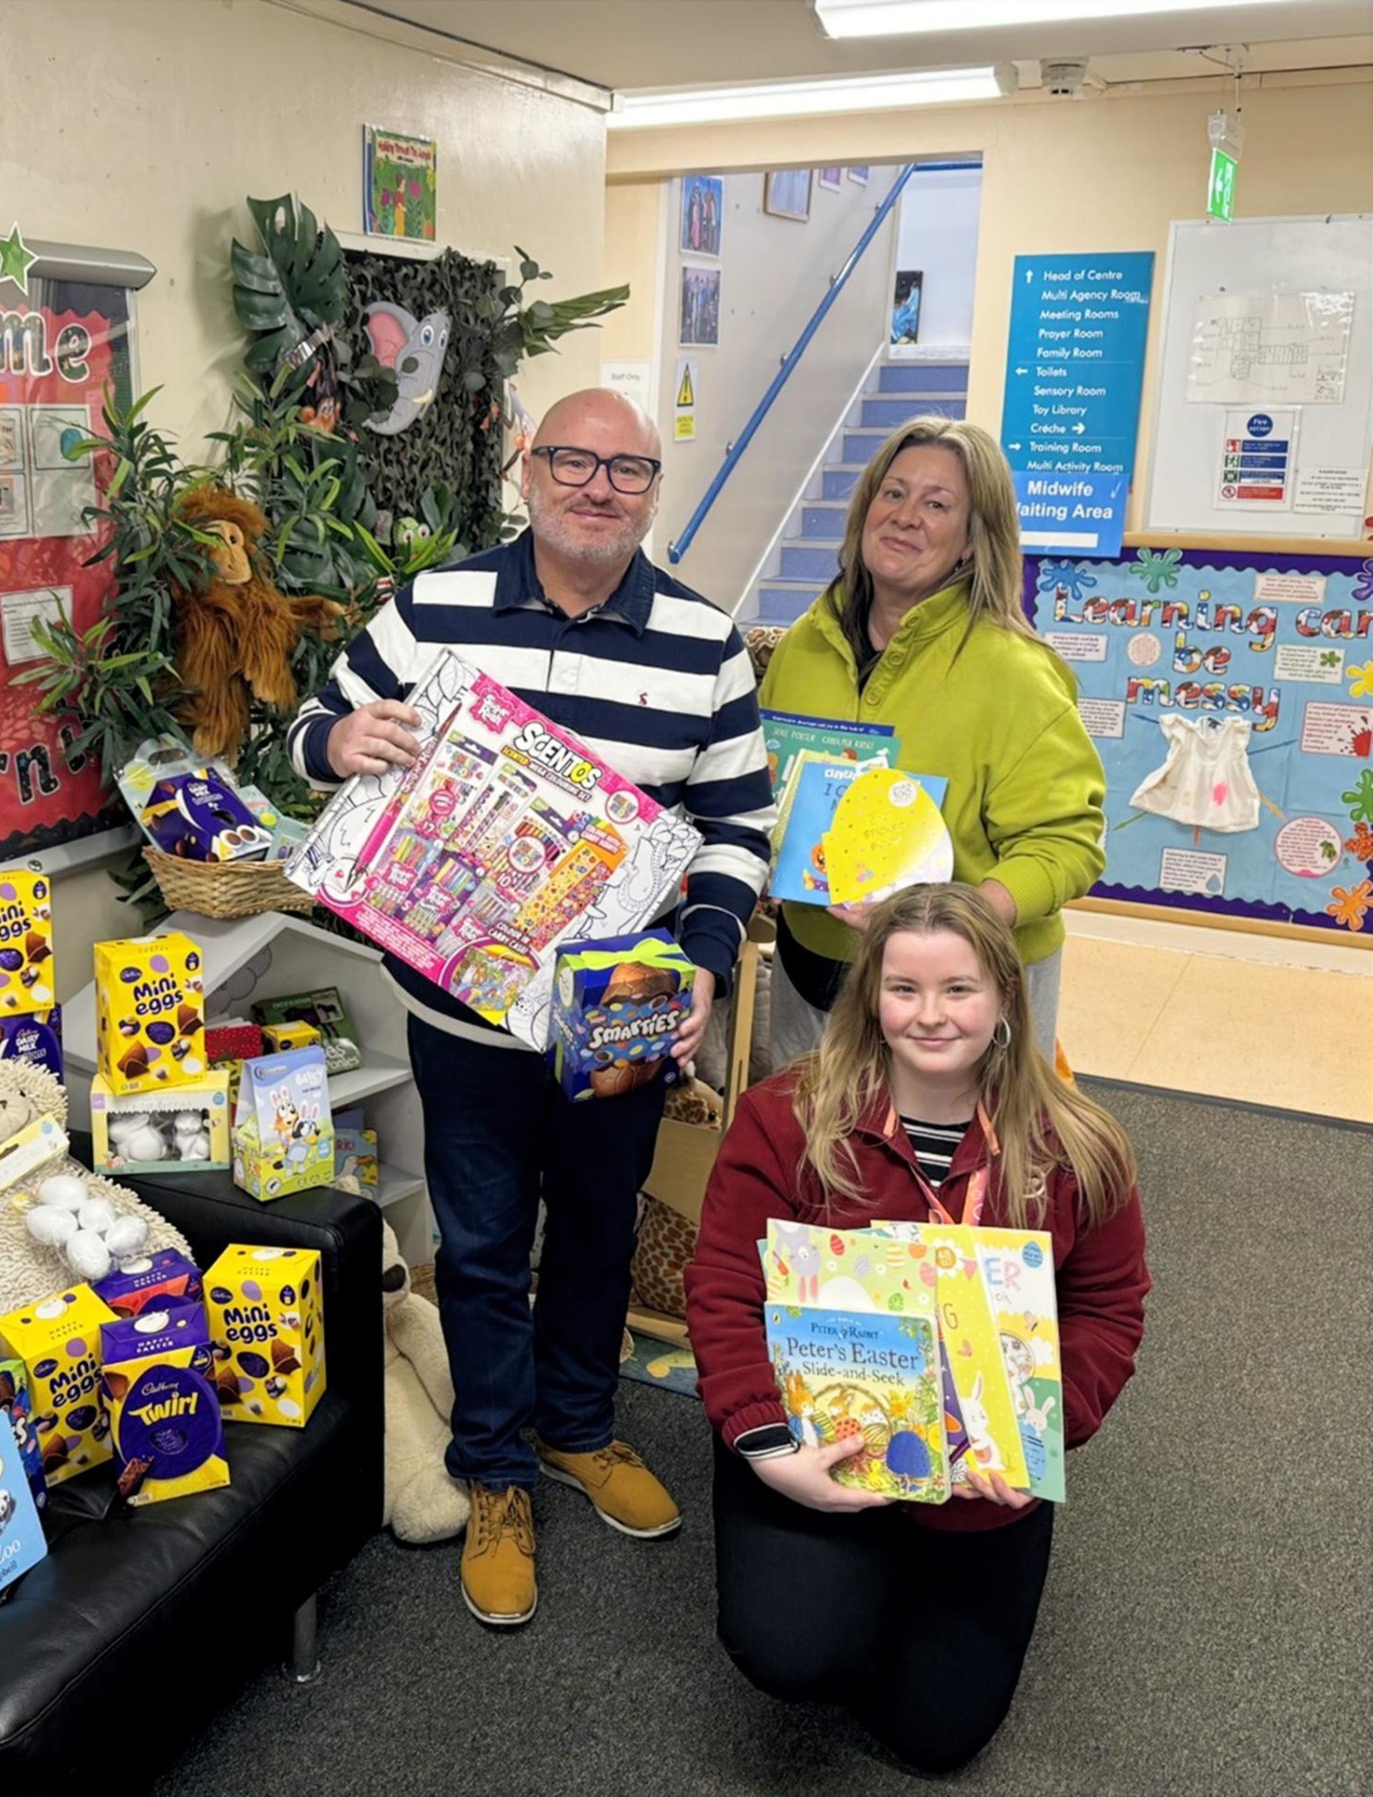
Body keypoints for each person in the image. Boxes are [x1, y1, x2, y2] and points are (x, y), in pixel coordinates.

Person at [288, 387, 774, 1627]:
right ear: (527, 469)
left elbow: (739, 823)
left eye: (628, 470)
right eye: (572, 459)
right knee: (487, 1244)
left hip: (618, 1022)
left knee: (603, 1235)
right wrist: (338, 746)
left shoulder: (707, 643)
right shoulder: (434, 608)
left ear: (653, 491)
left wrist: (707, 956)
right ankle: (494, 1468)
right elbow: (305, 727)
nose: (597, 486)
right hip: (461, 1018)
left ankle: (579, 1427)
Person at [685, 883, 1148, 1773]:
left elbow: (1108, 1305)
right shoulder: (788, 1115)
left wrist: (1045, 1430)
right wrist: (765, 1439)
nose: (929, 1015)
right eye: (904, 988)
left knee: (932, 1735)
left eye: (959, 989)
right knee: (797, 1653)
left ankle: (896, 1583)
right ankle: (837, 1574)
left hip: (980, 1484)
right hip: (819, 1442)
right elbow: (724, 1286)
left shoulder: (1078, 1145)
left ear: (1005, 997)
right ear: (871, 995)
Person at [759, 416, 1106, 1065]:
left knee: (959, 1165)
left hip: (962, 990)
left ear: (973, 541)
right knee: (813, 1154)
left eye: (937, 503)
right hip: (815, 973)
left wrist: (962, 917)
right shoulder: (804, 646)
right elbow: (772, 783)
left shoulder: (1015, 673)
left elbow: (1068, 845)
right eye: (893, 493)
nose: (906, 516)